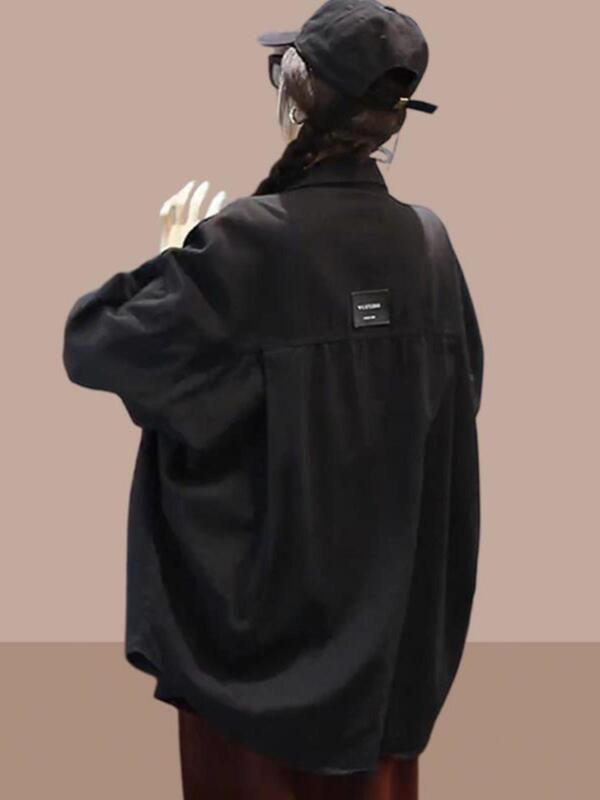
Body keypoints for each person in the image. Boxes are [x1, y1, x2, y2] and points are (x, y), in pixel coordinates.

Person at [62, 1, 483, 797]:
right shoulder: (430, 248)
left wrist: (174, 261)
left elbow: (98, 345)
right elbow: (458, 404)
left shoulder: (245, 242)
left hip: (255, 670)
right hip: (385, 658)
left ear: (296, 99)